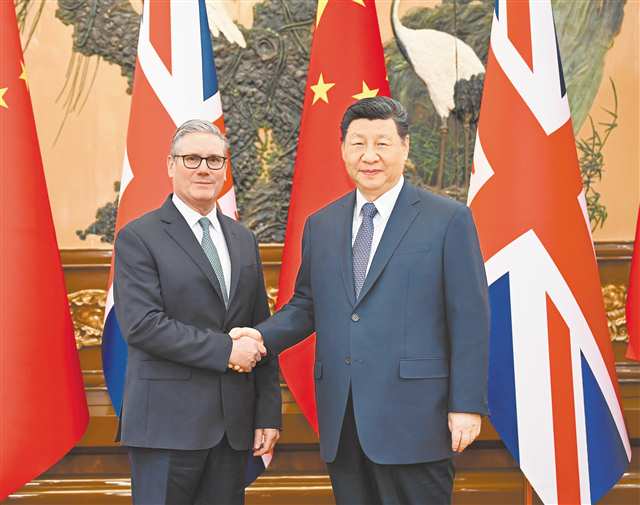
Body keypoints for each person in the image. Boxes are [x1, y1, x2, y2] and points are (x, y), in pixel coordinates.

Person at [232, 97, 490, 504]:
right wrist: (259, 337)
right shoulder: (322, 224)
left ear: (404, 147)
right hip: (344, 416)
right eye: (358, 144)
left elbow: (470, 317)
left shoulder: (447, 220)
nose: (369, 156)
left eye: (382, 143)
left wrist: (467, 404)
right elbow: (306, 305)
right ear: (343, 150)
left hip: (417, 418)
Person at [113, 119, 281, 505]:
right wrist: (227, 350)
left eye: (214, 160)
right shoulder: (138, 237)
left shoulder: (243, 239)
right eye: (192, 159)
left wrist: (268, 413)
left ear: (225, 168)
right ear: (170, 165)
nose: (204, 169)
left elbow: (260, 329)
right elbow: (143, 326)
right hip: (166, 427)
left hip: (233, 428)